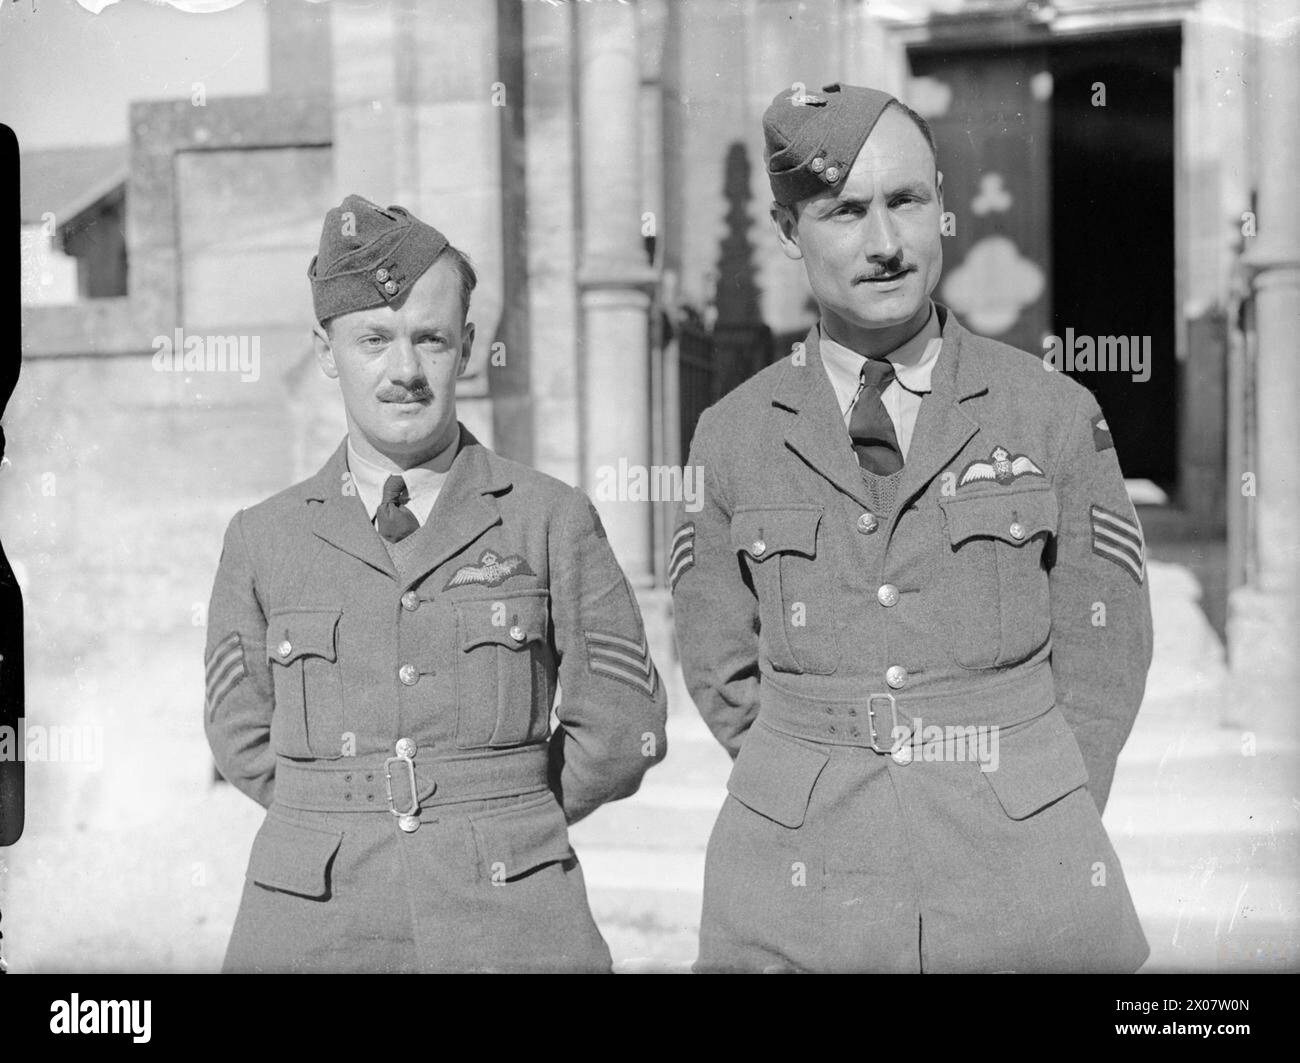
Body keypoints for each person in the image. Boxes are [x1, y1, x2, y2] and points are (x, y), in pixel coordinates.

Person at [671, 83, 1152, 973]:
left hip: (1023, 885)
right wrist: (811, 772)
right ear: (786, 232)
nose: (885, 244)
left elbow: (1106, 647)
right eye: (845, 211)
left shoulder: (1051, 412)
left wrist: (1039, 802)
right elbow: (717, 658)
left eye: (907, 202)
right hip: (801, 889)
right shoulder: (731, 435)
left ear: (944, 210)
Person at [205, 194, 667, 972]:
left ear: (471, 346)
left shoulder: (550, 518)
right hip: (311, 923)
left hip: (513, 916)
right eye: (374, 340)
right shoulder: (262, 538)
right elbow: (240, 735)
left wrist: (504, 810)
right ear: (325, 349)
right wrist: (336, 814)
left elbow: (621, 727)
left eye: (431, 339)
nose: (406, 371)